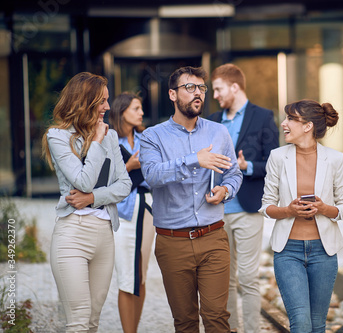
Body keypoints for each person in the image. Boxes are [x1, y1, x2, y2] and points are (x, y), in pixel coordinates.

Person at [140, 66, 243, 333]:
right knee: (185, 322)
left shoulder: (218, 132)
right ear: (172, 94)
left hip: (214, 238)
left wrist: (226, 191)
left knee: (217, 318)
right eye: (190, 88)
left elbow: (233, 173)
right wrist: (193, 159)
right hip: (172, 242)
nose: (197, 93)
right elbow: (151, 175)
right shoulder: (153, 136)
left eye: (201, 88)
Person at [41, 72, 132, 332]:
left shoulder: (111, 136)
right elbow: (82, 181)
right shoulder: (57, 136)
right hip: (73, 235)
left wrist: (93, 198)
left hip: (104, 236)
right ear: (84, 101)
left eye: (107, 101)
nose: (106, 107)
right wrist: (97, 141)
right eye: (102, 101)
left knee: (92, 321)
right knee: (79, 320)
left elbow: (124, 185)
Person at [259, 99, 343, 333]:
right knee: (301, 323)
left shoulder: (335, 159)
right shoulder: (278, 157)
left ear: (308, 126)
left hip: (324, 252)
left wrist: (323, 208)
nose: (284, 123)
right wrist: (289, 211)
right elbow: (267, 206)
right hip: (288, 252)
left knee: (318, 325)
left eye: (291, 118)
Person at [208, 63, 279, 333]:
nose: (215, 95)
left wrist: (247, 166)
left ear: (234, 87)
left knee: (248, 278)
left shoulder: (262, 117)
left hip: (248, 208)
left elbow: (274, 161)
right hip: (216, 210)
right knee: (224, 280)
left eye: (218, 89)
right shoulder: (212, 121)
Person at [109, 92, 154, 333]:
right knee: (127, 275)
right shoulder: (108, 141)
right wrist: (129, 167)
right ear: (122, 111)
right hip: (124, 214)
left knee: (141, 274)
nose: (141, 112)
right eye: (136, 108)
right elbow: (102, 182)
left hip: (147, 211)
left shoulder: (146, 139)